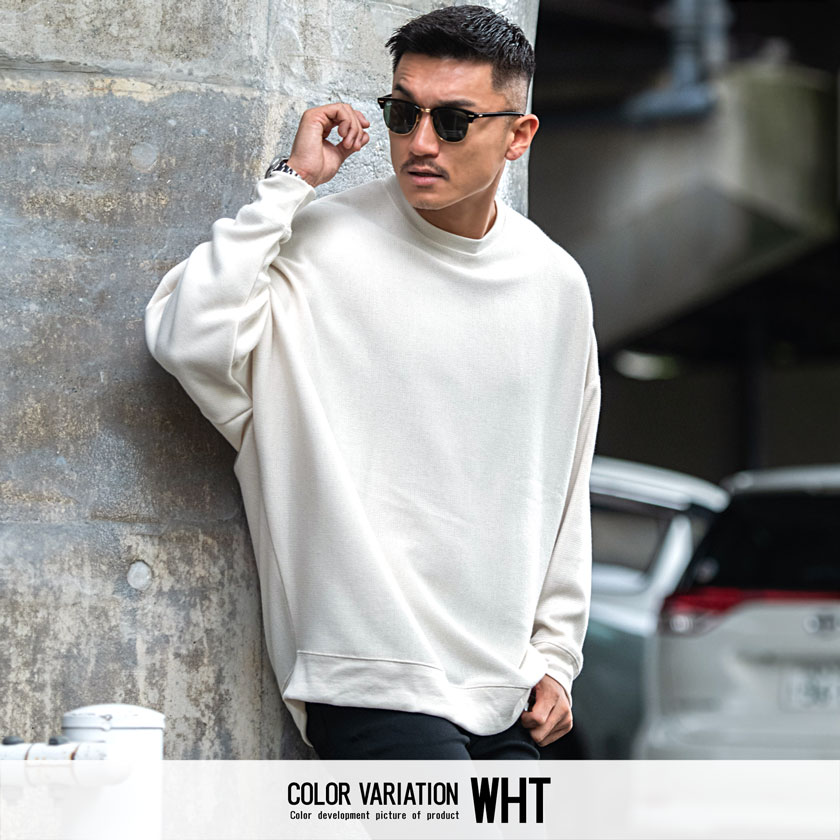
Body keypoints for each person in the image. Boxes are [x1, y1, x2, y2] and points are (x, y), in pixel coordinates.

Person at [145, 4, 600, 760]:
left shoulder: (555, 285)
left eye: (452, 122)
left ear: (518, 135)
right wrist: (292, 185)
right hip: (368, 675)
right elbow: (186, 338)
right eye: (402, 113)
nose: (419, 143)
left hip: (505, 690)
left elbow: (565, 480)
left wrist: (557, 653)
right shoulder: (318, 245)